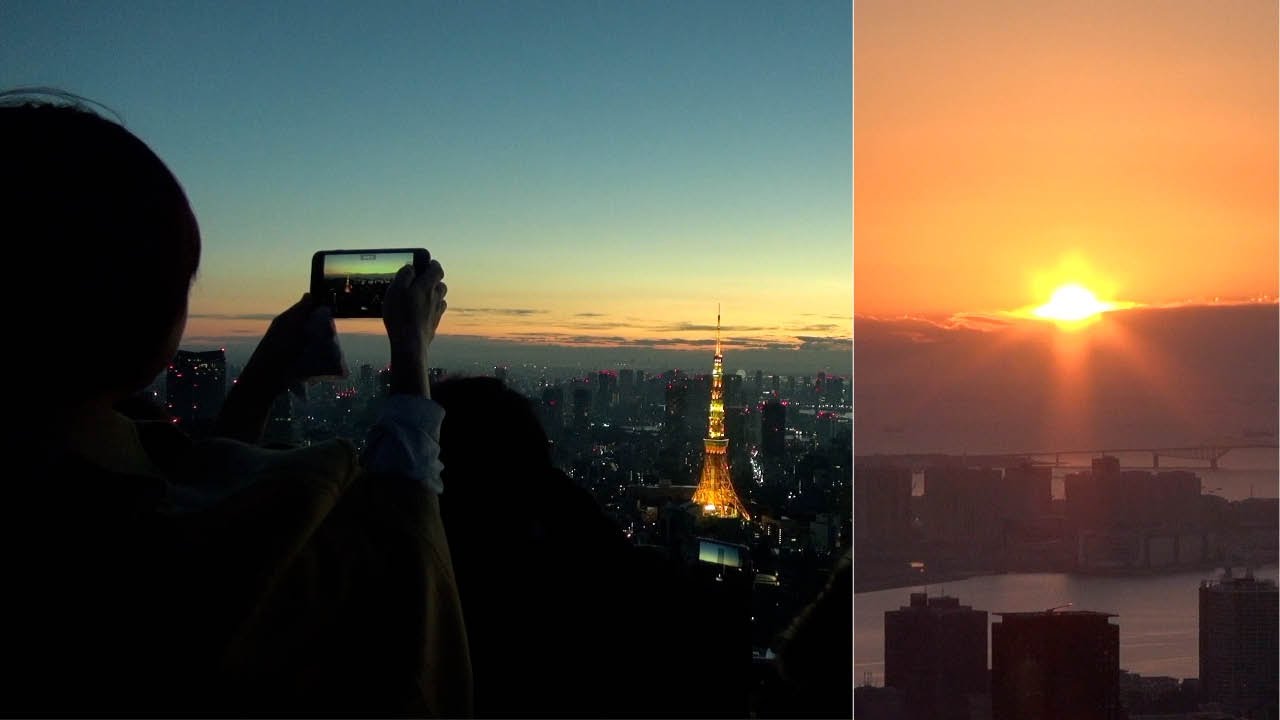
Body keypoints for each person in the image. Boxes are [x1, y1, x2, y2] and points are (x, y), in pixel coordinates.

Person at [3, 90, 471, 716]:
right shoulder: (139, 561)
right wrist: (411, 358)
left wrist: (260, 380)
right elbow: (408, 641)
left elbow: (206, 491)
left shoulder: (69, 472)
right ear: (142, 308)